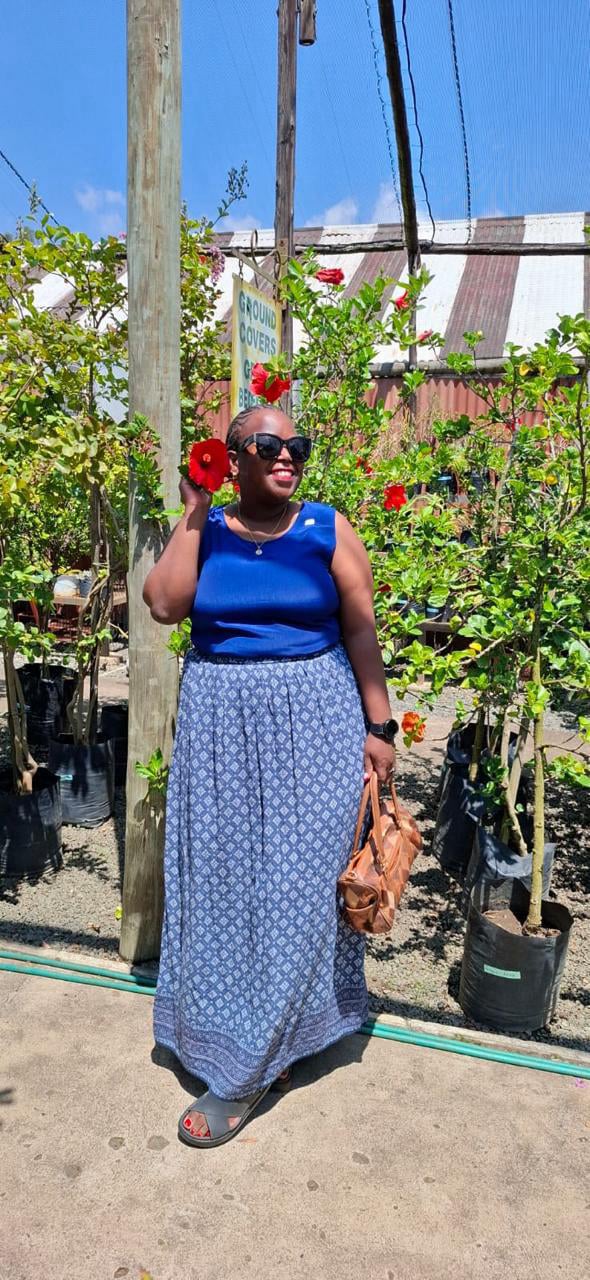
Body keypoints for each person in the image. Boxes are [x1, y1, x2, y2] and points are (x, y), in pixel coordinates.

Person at [143, 405, 397, 1148]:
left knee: (297, 889)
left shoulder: (326, 527)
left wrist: (380, 727)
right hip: (220, 732)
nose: (287, 456)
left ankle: (251, 1065)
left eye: (297, 446)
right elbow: (163, 604)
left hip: (315, 724)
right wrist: (194, 510)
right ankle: (239, 1028)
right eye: (269, 445)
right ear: (233, 459)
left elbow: (360, 628)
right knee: (223, 883)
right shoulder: (209, 530)